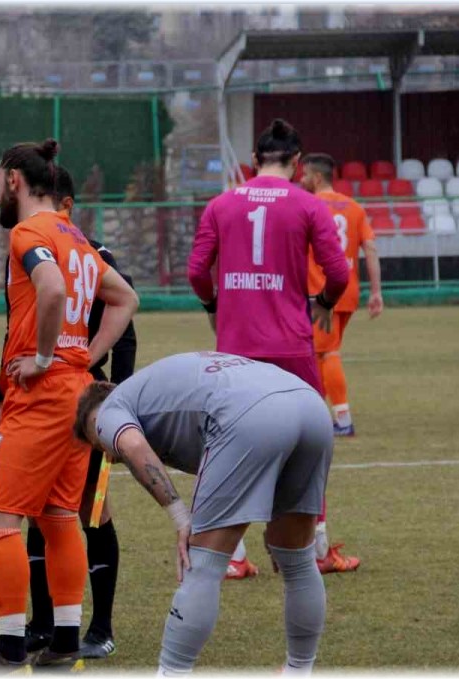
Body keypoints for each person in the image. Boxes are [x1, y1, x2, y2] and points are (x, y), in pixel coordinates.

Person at [0, 139, 139, 668]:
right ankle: (66, 641)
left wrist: (47, 357)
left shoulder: (29, 232)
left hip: (44, 395)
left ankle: (8, 650)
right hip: (74, 394)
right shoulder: (74, 235)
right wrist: (82, 358)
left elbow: (49, 290)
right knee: (59, 516)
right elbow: (125, 298)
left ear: (16, 182)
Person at [73, 351, 332, 676]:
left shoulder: (109, 410)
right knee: (297, 562)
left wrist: (181, 517)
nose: (108, 457)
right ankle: (299, 670)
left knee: (203, 566)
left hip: (249, 415)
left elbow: (133, 446)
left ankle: (172, 673)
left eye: (99, 447)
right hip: (309, 405)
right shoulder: (154, 389)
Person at [186, 118, 357, 579]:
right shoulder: (307, 203)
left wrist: (212, 305)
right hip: (292, 346)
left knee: (229, 445)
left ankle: (233, 558)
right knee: (310, 446)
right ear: (298, 165)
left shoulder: (222, 203)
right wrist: (322, 303)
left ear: (254, 162)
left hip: (237, 346)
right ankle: (312, 549)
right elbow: (338, 272)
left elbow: (198, 269)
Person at [299, 152, 384, 439]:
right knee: (322, 353)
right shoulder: (355, 207)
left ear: (317, 177)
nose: (301, 179)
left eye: (305, 174)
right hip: (348, 291)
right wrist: (376, 291)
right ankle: (318, 415)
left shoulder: (308, 206)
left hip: (321, 294)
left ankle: (343, 420)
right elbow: (370, 248)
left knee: (325, 352)